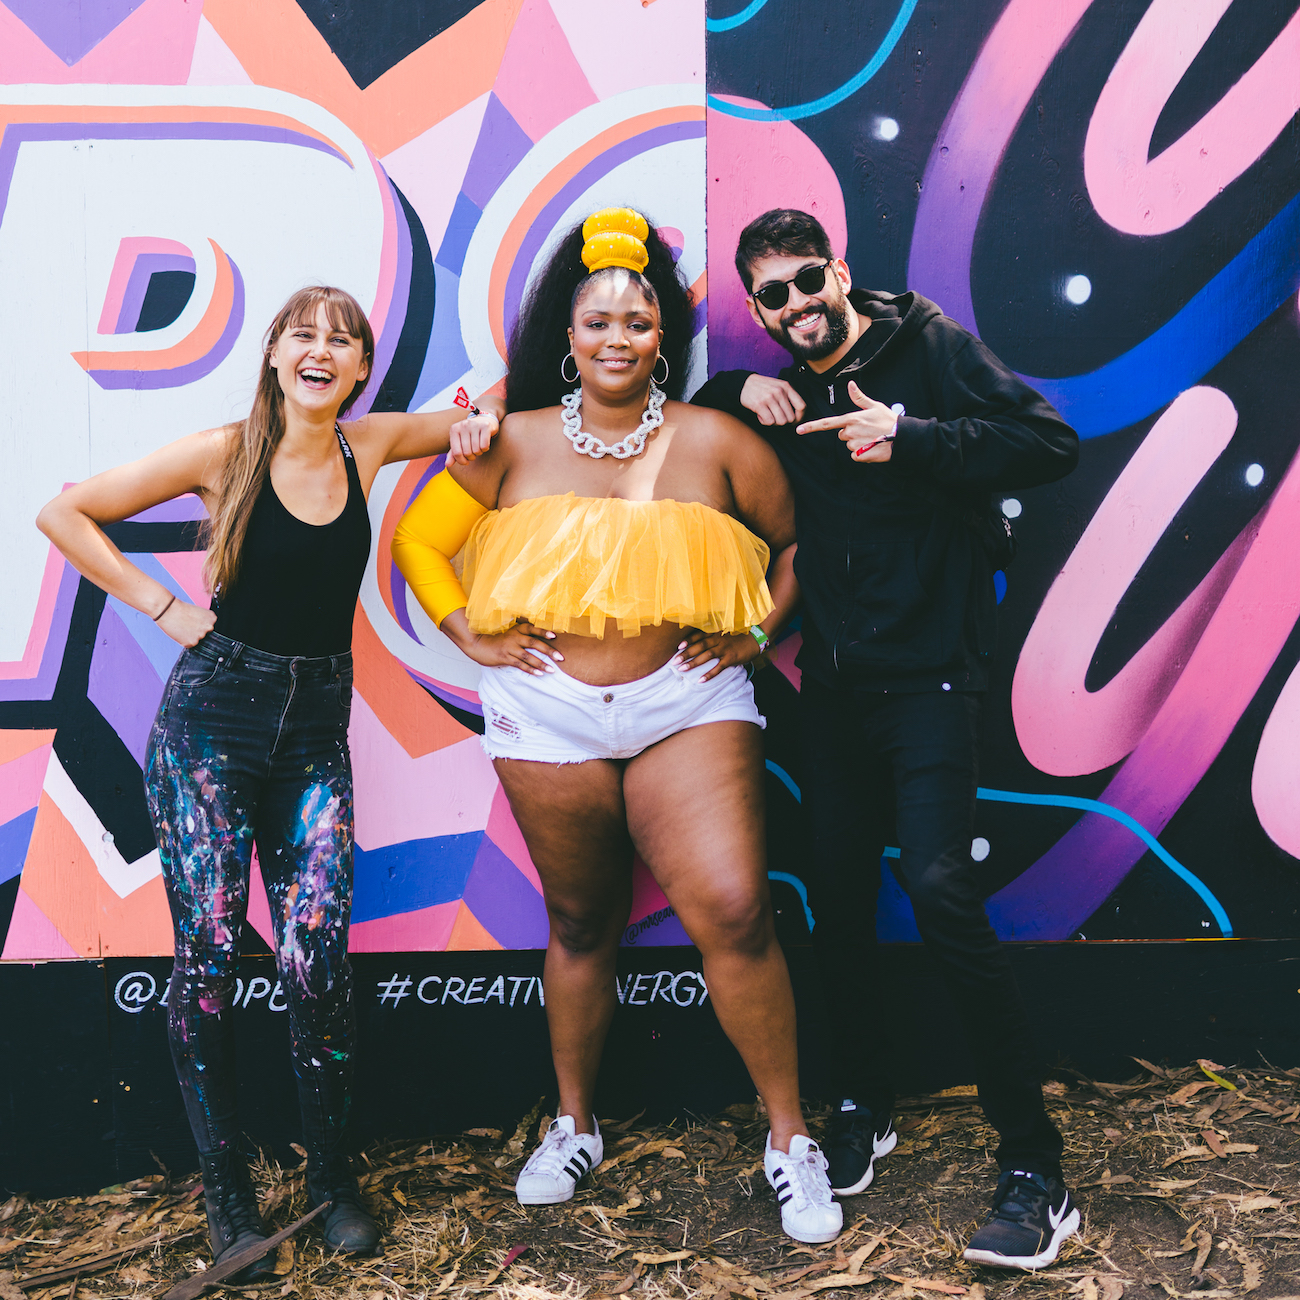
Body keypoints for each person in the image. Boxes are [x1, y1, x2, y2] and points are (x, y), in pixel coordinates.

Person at [391, 208, 841, 1245]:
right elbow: (420, 543)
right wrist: (474, 639)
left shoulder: (717, 440)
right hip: (545, 710)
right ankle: (574, 1122)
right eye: (598, 320)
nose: (616, 338)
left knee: (733, 909)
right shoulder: (507, 439)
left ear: (662, 339)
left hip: (686, 702)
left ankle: (788, 1138)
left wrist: (754, 633)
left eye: (637, 322)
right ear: (570, 332)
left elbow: (797, 545)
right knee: (582, 921)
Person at [37, 286, 501, 1279]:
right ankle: (228, 1195)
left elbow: (471, 415)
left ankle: (331, 1180)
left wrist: (481, 421)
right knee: (206, 960)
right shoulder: (224, 450)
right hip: (212, 722)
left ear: (360, 368)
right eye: (305, 334)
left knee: (316, 966)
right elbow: (63, 511)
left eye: (342, 338)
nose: (322, 349)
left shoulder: (366, 444)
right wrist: (162, 604)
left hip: (314, 733)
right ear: (276, 355)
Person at [692, 209, 1081, 1271]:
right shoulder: (775, 387)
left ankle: (1035, 1169)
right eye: (771, 296)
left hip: (932, 679)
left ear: (840, 271)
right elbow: (683, 421)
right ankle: (863, 1098)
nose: (796, 306)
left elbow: (1049, 441)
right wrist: (734, 391)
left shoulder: (927, 348)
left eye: (807, 280)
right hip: (833, 685)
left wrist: (913, 437)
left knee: (942, 886)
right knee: (837, 895)